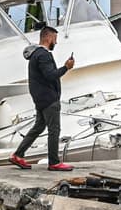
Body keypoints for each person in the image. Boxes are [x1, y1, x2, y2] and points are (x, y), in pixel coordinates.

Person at [10, 25, 76, 171]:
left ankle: (18, 155)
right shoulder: (44, 55)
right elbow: (50, 75)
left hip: (40, 98)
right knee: (54, 129)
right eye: (55, 39)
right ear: (48, 37)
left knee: (38, 127)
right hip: (48, 99)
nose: (56, 43)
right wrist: (66, 67)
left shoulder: (36, 54)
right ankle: (54, 162)